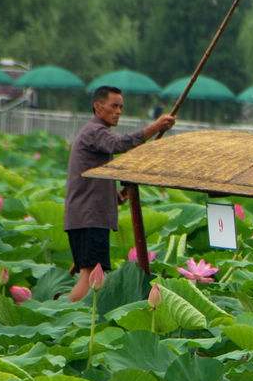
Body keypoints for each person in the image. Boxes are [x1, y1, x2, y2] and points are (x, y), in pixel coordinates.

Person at [65, 86, 174, 302]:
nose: (119, 111)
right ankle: (68, 319)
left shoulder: (94, 136)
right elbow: (120, 144)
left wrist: (117, 196)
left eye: (121, 107)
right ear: (98, 106)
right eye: (114, 106)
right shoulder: (94, 132)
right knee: (91, 277)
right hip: (90, 219)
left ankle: (72, 318)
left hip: (85, 216)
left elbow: (91, 182)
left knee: (92, 276)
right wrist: (156, 127)